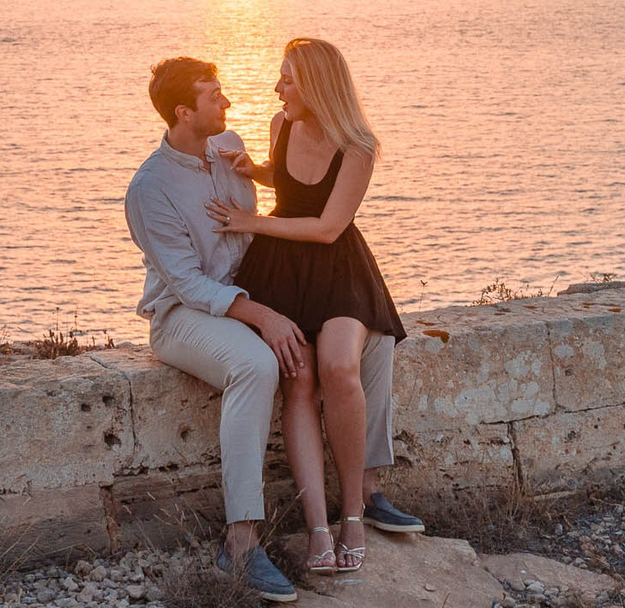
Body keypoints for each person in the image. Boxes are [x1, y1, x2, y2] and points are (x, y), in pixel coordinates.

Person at [124, 57, 425, 605]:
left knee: (375, 338)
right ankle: (241, 540)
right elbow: (191, 286)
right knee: (261, 364)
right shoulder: (150, 188)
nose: (229, 102)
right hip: (186, 314)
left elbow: (287, 189)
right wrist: (264, 315)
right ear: (183, 112)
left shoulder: (225, 144)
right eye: (216, 95)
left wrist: (255, 174)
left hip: (257, 288)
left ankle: (367, 490)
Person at [207, 39, 407, 576]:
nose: (278, 89)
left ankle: (354, 514)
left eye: (288, 80)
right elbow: (290, 179)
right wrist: (254, 171)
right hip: (282, 270)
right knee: (298, 380)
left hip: (337, 268)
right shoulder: (281, 124)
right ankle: (318, 526)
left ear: (317, 85)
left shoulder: (360, 146)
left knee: (340, 367)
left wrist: (250, 222)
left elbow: (326, 226)